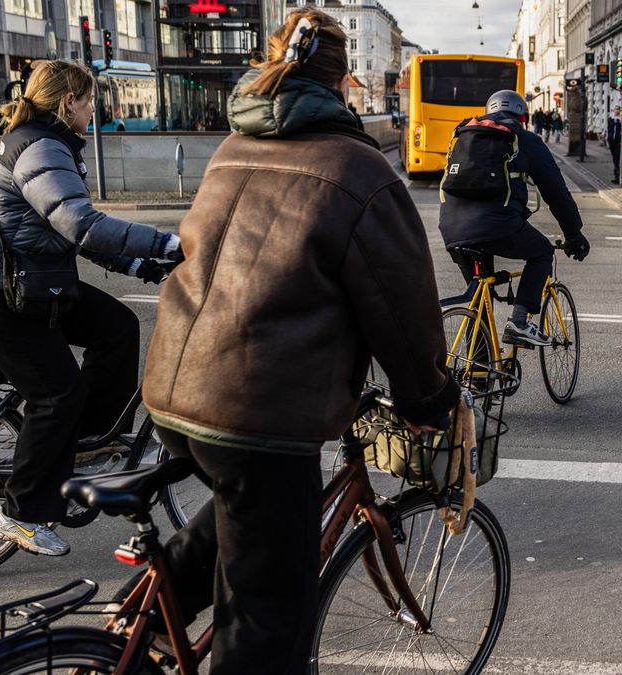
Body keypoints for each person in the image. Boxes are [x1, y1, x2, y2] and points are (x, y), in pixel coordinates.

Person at [142, 10, 467, 671]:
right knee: (270, 625)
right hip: (254, 409)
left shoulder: (233, 148)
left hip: (175, 386)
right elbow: (403, 313)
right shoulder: (358, 171)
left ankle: (146, 620)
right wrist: (428, 402)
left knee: (245, 506)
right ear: (345, 81)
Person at [0, 59, 181, 557]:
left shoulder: (48, 144)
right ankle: (20, 513)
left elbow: (72, 232)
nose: (93, 108)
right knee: (56, 394)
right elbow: (81, 224)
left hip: (31, 281)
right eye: (88, 98)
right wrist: (168, 242)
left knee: (116, 326)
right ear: (67, 101)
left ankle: (85, 444)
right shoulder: (39, 146)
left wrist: (144, 266)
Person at [439, 89, 589, 345]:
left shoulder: (463, 135)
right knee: (542, 251)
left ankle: (478, 377)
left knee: (479, 300)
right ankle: (519, 321)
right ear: (522, 118)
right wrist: (573, 235)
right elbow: (556, 192)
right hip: (497, 225)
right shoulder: (524, 139)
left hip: (452, 228)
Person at [605, 111, 622, 183]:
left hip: (619, 141)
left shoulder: (621, 120)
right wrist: (606, 137)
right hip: (611, 140)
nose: (616, 111)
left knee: (617, 158)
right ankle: (617, 174)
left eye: (618, 110)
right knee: (614, 158)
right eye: (615, 110)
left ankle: (617, 175)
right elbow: (607, 128)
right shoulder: (610, 119)